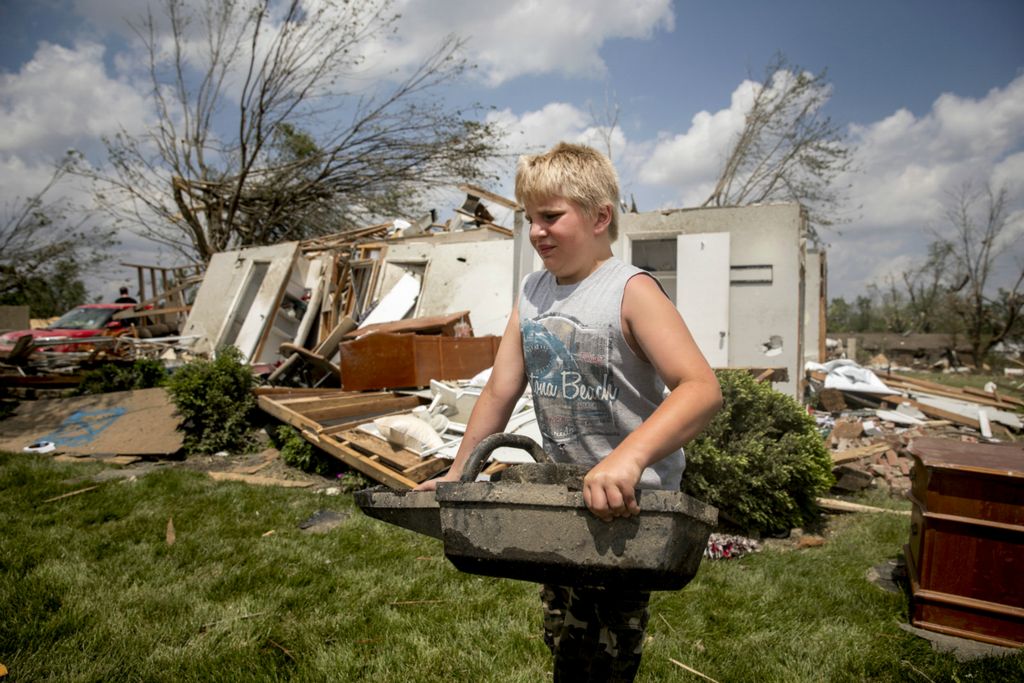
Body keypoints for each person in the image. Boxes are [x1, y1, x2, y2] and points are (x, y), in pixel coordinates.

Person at [415, 142, 722, 680]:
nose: (536, 231)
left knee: (601, 654)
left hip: (628, 510)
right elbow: (497, 393)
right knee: (562, 634)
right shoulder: (532, 293)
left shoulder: (631, 291)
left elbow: (700, 388)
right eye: (530, 218)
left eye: (551, 216)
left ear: (600, 216)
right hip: (561, 501)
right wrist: (457, 472)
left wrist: (628, 459)